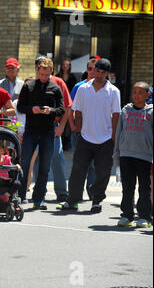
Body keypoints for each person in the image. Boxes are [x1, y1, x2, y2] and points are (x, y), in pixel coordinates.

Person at [57, 58, 121, 213]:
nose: (99, 74)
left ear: (107, 74)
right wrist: (78, 131)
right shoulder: (83, 89)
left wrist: (113, 137)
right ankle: (72, 200)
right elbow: (77, 111)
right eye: (96, 71)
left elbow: (116, 115)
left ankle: (96, 201)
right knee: (78, 170)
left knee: (103, 172)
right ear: (92, 70)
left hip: (106, 139)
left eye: (102, 72)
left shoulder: (114, 91)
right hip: (85, 137)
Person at [17, 57, 64, 209]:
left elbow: (62, 109)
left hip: (47, 131)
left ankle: (39, 199)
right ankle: (20, 196)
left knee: (44, 166)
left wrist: (50, 110)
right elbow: (20, 107)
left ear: (51, 72)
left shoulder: (55, 88)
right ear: (37, 71)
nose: (43, 78)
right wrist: (33, 109)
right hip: (31, 131)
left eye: (46, 75)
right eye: (41, 74)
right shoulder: (28, 86)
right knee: (24, 164)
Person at [114, 82, 152, 228]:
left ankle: (144, 217)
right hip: (126, 155)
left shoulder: (151, 111)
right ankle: (127, 215)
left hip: (145, 156)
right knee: (127, 187)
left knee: (144, 188)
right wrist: (117, 153)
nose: (136, 95)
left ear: (148, 95)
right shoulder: (126, 110)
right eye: (134, 92)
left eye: (140, 92)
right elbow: (119, 132)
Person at [69, 58, 98, 200]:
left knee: (93, 165)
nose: (94, 71)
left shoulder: (105, 87)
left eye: (96, 69)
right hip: (80, 131)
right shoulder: (79, 87)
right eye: (91, 69)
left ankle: (92, 193)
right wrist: (73, 126)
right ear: (87, 70)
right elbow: (71, 107)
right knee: (79, 164)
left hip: (95, 132)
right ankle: (76, 194)